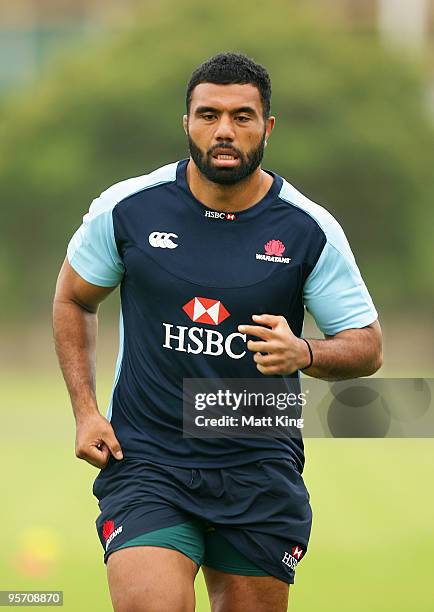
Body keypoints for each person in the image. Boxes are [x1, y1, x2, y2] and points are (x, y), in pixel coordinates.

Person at [53, 52, 382, 612]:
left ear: (267, 126)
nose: (224, 130)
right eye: (208, 115)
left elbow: (367, 345)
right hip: (148, 458)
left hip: (259, 463)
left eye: (242, 116)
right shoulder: (128, 208)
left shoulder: (308, 228)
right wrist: (86, 409)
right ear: (186, 122)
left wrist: (304, 351)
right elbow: (73, 298)